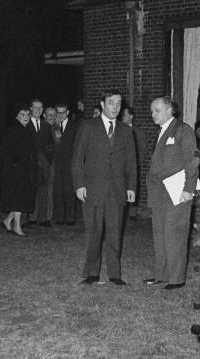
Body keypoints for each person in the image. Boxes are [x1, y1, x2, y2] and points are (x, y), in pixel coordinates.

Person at [72, 90, 137, 285]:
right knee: (94, 232)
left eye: (118, 103)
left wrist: (131, 187)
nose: (115, 107)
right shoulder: (88, 126)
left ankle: (115, 274)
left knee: (114, 233)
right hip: (92, 189)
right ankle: (92, 272)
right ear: (102, 105)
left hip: (117, 191)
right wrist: (79, 184)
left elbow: (131, 163)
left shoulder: (126, 131)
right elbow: (77, 159)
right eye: (111, 103)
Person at [146, 96, 199, 290]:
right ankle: (161, 274)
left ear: (170, 110)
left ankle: (176, 278)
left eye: (157, 110)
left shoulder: (183, 130)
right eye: (152, 111)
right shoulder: (161, 132)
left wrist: (188, 188)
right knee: (159, 233)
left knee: (175, 233)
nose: (153, 114)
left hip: (176, 190)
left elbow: (192, 160)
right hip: (159, 191)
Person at [0, 103, 38, 237]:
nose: (26, 117)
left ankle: (7, 220)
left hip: (25, 170)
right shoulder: (13, 130)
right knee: (18, 198)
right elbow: (6, 150)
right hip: (15, 171)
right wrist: (15, 162)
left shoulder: (27, 129)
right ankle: (16, 226)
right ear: (16, 116)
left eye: (28, 114)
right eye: (22, 114)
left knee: (21, 197)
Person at [49, 102, 78, 225]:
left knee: (69, 191)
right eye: (58, 112)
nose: (60, 115)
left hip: (69, 163)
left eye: (63, 112)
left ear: (67, 112)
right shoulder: (53, 126)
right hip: (56, 163)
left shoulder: (75, 126)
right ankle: (60, 217)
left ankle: (70, 218)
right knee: (58, 191)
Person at [27, 99, 54, 226]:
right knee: (31, 190)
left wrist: (46, 159)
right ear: (31, 109)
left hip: (44, 163)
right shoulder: (26, 125)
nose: (37, 110)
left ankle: (43, 218)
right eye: (35, 108)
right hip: (31, 163)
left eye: (40, 108)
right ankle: (31, 217)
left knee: (44, 189)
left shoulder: (46, 126)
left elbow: (50, 145)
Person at [122, 106, 146, 219]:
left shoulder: (137, 132)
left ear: (131, 116)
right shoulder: (118, 131)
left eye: (125, 115)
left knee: (133, 187)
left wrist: (137, 165)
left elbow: (142, 149)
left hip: (133, 166)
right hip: (120, 166)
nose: (122, 117)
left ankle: (132, 212)